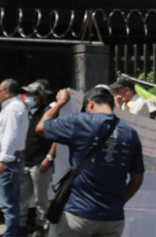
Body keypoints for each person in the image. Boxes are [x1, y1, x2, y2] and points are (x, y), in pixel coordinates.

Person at [37, 87, 145, 237]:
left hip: (78, 216)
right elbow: (137, 178)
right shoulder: (130, 132)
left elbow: (41, 128)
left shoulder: (81, 121)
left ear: (90, 103)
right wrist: (119, 202)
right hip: (112, 220)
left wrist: (60, 103)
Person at [0, 79, 29, 237]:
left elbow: (10, 135)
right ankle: (12, 232)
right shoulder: (13, 107)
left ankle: (10, 234)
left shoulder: (12, 108)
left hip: (5, 160)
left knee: (8, 204)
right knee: (9, 202)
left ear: (7, 92)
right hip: (7, 159)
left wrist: (2, 160)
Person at [19, 82, 56, 237]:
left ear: (40, 97)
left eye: (32, 94)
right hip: (24, 160)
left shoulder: (47, 113)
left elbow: (56, 138)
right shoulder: (25, 112)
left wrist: (49, 157)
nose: (28, 97)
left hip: (40, 162)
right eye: (28, 94)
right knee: (22, 197)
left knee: (41, 198)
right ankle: (22, 226)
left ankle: (41, 225)